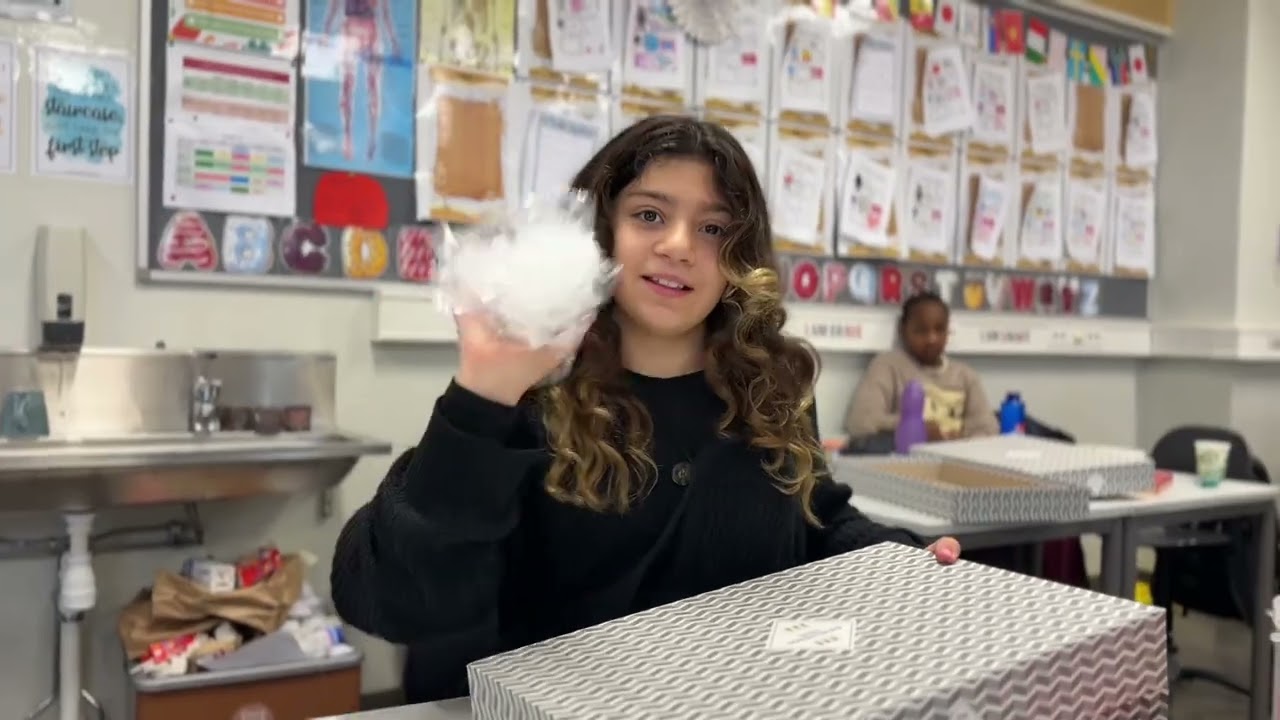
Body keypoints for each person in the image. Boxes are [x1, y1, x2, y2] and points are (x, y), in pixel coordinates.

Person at [330, 116, 962, 704]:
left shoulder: (772, 387)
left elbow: (816, 518)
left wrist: (904, 565)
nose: (680, 246)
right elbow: (389, 600)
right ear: (600, 231)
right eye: (650, 215)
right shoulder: (532, 393)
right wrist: (480, 396)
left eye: (714, 228)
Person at [845, 291, 998, 442]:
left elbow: (988, 429)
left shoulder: (964, 376)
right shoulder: (888, 366)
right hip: (903, 462)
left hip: (957, 460)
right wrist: (914, 428)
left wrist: (958, 440)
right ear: (903, 331)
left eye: (939, 329)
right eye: (921, 331)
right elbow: (860, 422)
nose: (932, 339)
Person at [321, 0, 401, 161]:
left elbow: (385, 11)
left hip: (364, 29)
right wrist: (326, 31)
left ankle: (368, 138)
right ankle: (349, 137)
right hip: (355, 28)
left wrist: (393, 41)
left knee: (370, 87)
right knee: (350, 86)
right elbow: (334, 5)